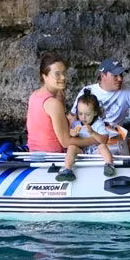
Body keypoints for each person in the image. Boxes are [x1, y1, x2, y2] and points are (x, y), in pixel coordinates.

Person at [26, 52, 103, 181]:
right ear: (44, 76)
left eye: (64, 73)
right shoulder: (53, 104)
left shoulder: (34, 95)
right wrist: (95, 139)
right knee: (102, 144)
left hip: (34, 154)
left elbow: (44, 125)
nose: (63, 77)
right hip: (54, 157)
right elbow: (65, 142)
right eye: (57, 74)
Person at [69, 58, 130, 154]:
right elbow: (73, 116)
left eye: (121, 74)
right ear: (103, 75)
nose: (120, 79)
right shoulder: (87, 90)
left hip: (113, 134)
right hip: (89, 134)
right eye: (115, 75)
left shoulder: (128, 91)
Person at [62, 89, 116, 181]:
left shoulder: (99, 124)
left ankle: (109, 165)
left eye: (87, 114)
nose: (83, 117)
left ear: (95, 112)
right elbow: (70, 135)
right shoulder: (76, 124)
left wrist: (93, 133)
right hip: (82, 152)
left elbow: (104, 140)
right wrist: (73, 134)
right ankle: (67, 169)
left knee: (102, 146)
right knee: (71, 147)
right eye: (80, 114)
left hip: (96, 152)